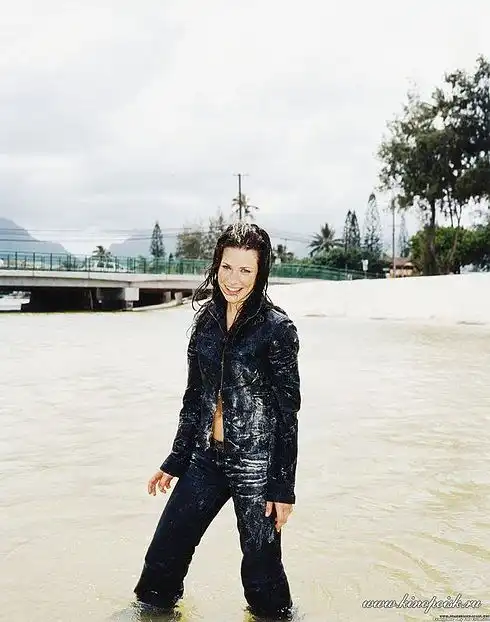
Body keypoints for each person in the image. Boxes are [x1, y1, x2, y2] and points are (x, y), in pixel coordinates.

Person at [133, 222, 301, 619]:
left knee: (262, 581)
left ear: (260, 272)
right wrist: (176, 459)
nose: (233, 279)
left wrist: (283, 488)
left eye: (245, 270)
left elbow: (288, 413)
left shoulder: (277, 329)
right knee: (161, 564)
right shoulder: (205, 322)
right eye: (227, 267)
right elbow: (194, 398)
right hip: (205, 458)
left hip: (256, 466)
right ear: (216, 264)